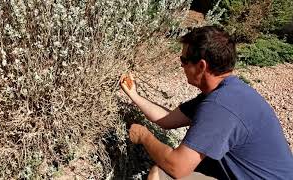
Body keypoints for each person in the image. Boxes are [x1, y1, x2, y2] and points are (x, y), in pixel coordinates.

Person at [120, 26, 293, 180]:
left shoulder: (220, 106)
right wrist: (134, 95)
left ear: (201, 66)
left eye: (184, 60)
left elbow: (177, 167)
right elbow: (167, 120)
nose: (182, 67)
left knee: (161, 174)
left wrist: (144, 136)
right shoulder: (228, 92)